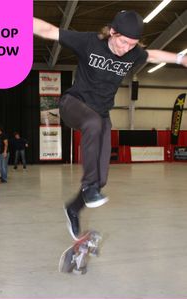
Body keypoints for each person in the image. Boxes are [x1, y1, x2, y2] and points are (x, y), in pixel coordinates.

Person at [33, 10, 187, 239]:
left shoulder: (133, 53)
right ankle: (88, 186)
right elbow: (48, 31)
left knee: (101, 179)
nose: (126, 48)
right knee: (93, 125)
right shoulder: (89, 42)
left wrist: (179, 59)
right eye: (123, 41)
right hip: (73, 104)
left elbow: (152, 56)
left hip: (101, 114)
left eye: (132, 44)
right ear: (112, 32)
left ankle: (73, 208)